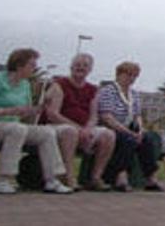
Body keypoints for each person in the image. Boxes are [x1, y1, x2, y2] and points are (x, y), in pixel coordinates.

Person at [0, 47, 73, 194]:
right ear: (19, 66)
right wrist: (6, 111)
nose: (35, 68)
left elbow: (25, 114)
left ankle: (52, 179)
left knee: (47, 132)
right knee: (17, 129)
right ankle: (4, 179)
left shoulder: (25, 85)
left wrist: (39, 108)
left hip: (15, 125)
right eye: (32, 65)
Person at [42, 52, 116, 191]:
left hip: (83, 128)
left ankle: (95, 177)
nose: (80, 68)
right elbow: (53, 114)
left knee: (108, 135)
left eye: (85, 65)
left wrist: (88, 129)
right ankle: (69, 176)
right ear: (71, 67)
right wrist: (78, 128)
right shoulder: (59, 85)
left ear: (90, 70)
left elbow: (94, 115)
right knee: (70, 132)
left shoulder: (93, 90)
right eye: (77, 64)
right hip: (59, 126)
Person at [98, 61, 163, 191]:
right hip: (113, 127)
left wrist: (139, 129)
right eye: (128, 75)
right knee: (126, 140)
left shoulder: (134, 94)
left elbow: (137, 115)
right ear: (119, 75)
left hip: (130, 127)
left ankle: (150, 177)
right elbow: (106, 116)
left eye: (134, 76)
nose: (131, 79)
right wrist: (127, 131)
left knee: (147, 139)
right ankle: (120, 176)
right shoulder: (108, 91)